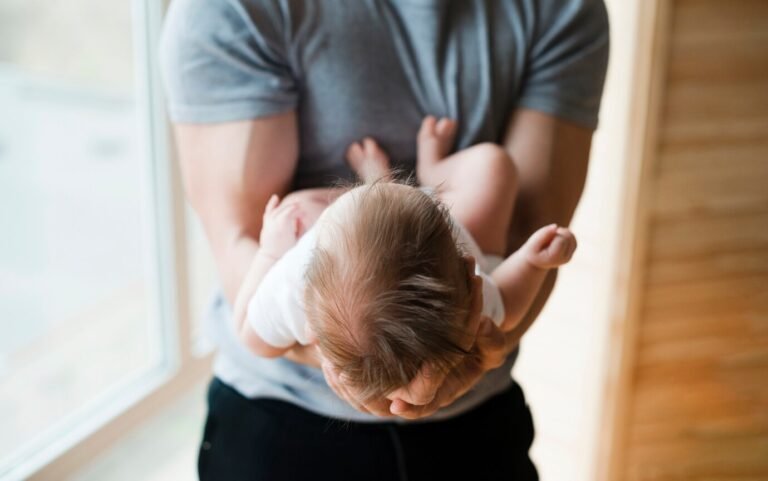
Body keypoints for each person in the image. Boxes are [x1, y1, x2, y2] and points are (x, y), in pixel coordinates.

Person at [159, 0, 609, 479]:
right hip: (284, 420)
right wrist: (532, 265)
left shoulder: (563, 9)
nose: (350, 196)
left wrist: (275, 250)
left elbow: (528, 221)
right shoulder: (232, 10)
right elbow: (238, 244)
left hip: (474, 423)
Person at [234, 116, 578, 407]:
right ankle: (427, 171)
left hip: (332, 244)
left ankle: (377, 185)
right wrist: (533, 262)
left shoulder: (292, 282)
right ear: (462, 265)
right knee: (494, 166)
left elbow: (250, 338)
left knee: (293, 211)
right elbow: (506, 305)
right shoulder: (460, 297)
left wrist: (270, 253)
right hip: (458, 236)